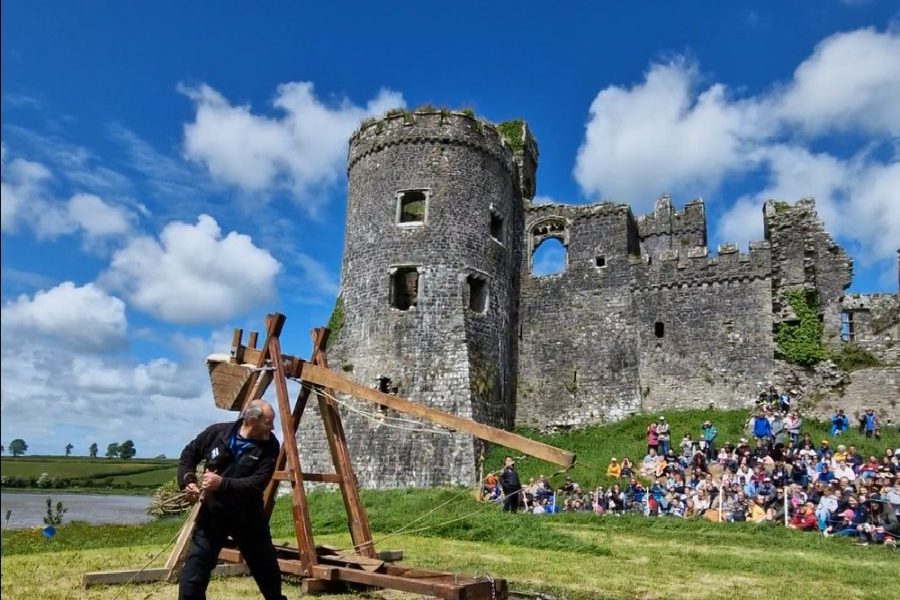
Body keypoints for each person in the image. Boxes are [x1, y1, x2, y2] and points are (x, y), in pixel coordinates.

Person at [176, 399, 286, 600]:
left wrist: (222, 483)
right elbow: (189, 454)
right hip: (213, 515)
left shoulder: (270, 446)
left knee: (267, 572)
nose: (272, 428)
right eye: (268, 422)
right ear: (251, 420)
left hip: (248, 517)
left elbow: (256, 483)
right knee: (193, 574)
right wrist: (188, 481)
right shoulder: (217, 433)